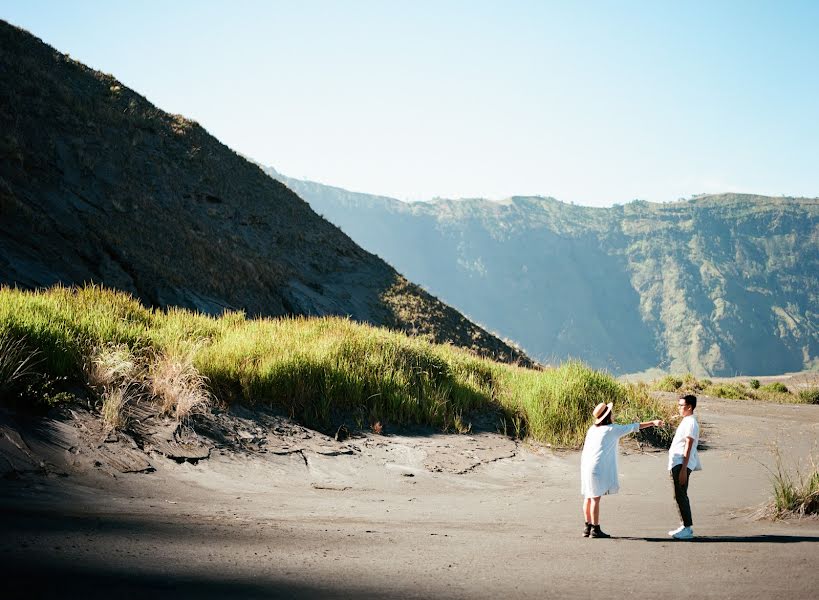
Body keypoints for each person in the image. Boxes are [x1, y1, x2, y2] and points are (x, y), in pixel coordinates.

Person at [580, 402, 663, 538]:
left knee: (588, 497)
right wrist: (653, 422)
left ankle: (587, 527)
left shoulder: (592, 429)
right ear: (608, 416)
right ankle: (595, 529)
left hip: (586, 465)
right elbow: (635, 426)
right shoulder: (612, 429)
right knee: (595, 498)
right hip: (597, 466)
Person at [668, 394, 701, 540]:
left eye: (681, 405)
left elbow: (688, 445)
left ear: (689, 407)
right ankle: (684, 525)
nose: (679, 407)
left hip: (682, 463)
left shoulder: (691, 423)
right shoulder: (687, 421)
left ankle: (687, 528)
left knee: (680, 494)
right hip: (678, 462)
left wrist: (683, 469)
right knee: (679, 494)